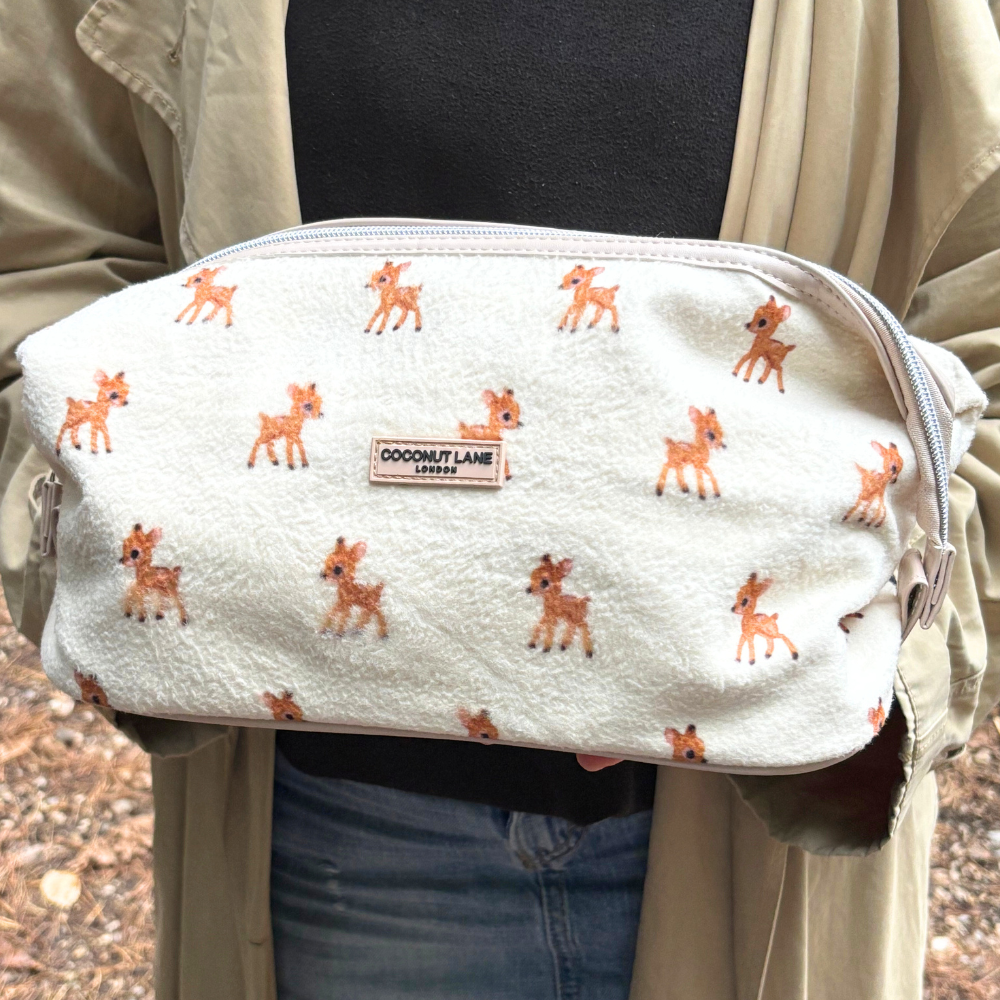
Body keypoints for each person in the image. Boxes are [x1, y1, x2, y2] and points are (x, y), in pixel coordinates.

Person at [1, 1, 999, 998]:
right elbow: (41, 252)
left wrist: (892, 648)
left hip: (770, 817)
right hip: (326, 821)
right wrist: (114, 560)